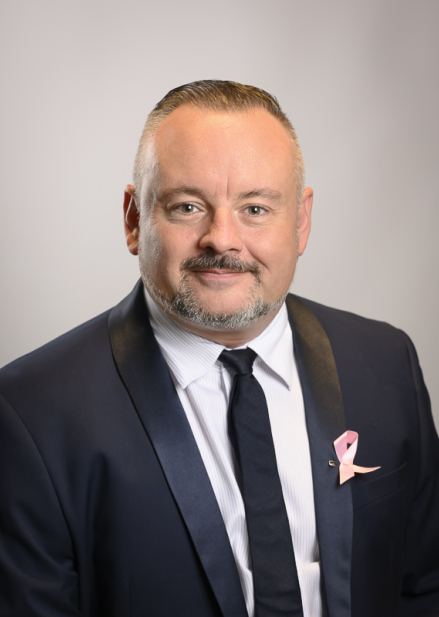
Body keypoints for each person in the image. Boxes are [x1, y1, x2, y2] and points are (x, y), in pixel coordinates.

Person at [0, 80, 438, 617]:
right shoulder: (30, 414)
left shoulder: (386, 362)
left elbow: (425, 585)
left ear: (301, 222)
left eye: (255, 208)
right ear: (134, 219)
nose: (222, 239)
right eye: (187, 206)